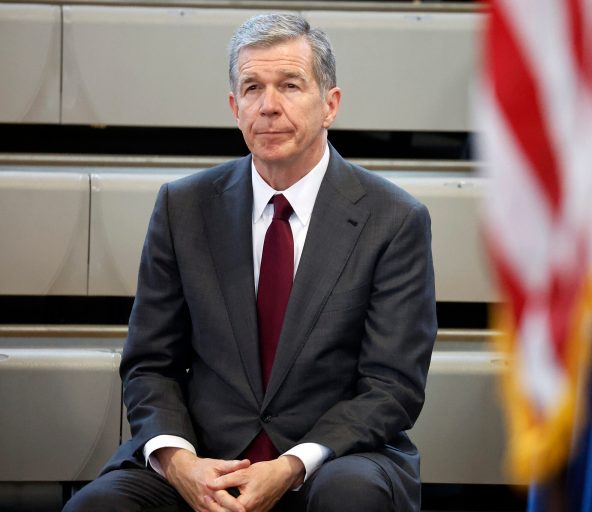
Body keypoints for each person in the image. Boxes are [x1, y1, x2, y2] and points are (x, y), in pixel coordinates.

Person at [64, 12, 436, 512]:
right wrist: (181, 463)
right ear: (235, 107)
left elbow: (391, 387)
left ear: (330, 105)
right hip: (206, 458)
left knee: (351, 495)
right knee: (98, 507)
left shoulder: (394, 219)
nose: (269, 107)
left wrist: (291, 465)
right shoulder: (183, 207)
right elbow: (151, 364)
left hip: (333, 461)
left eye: (289, 85)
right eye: (253, 88)